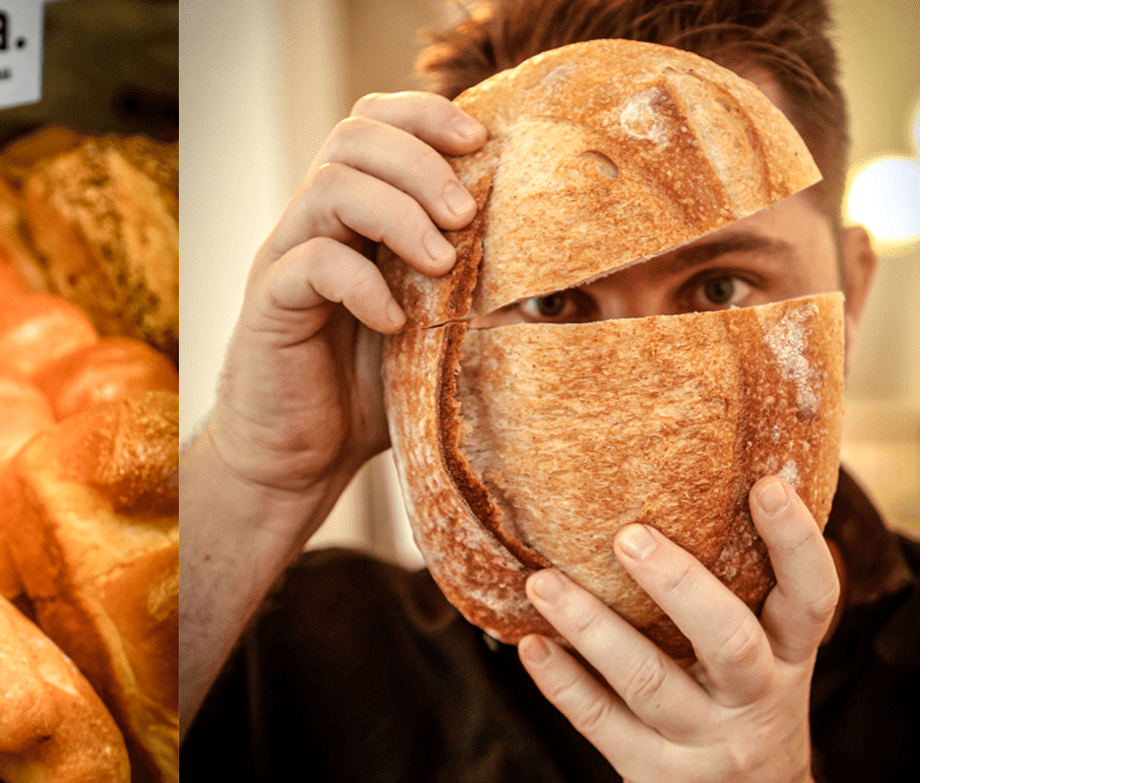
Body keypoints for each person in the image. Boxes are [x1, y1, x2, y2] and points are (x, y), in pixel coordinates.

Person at [178, 0, 919, 780]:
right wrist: (255, 473)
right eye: (555, 302)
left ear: (852, 297)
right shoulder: (298, 651)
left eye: (718, 287)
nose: (641, 391)